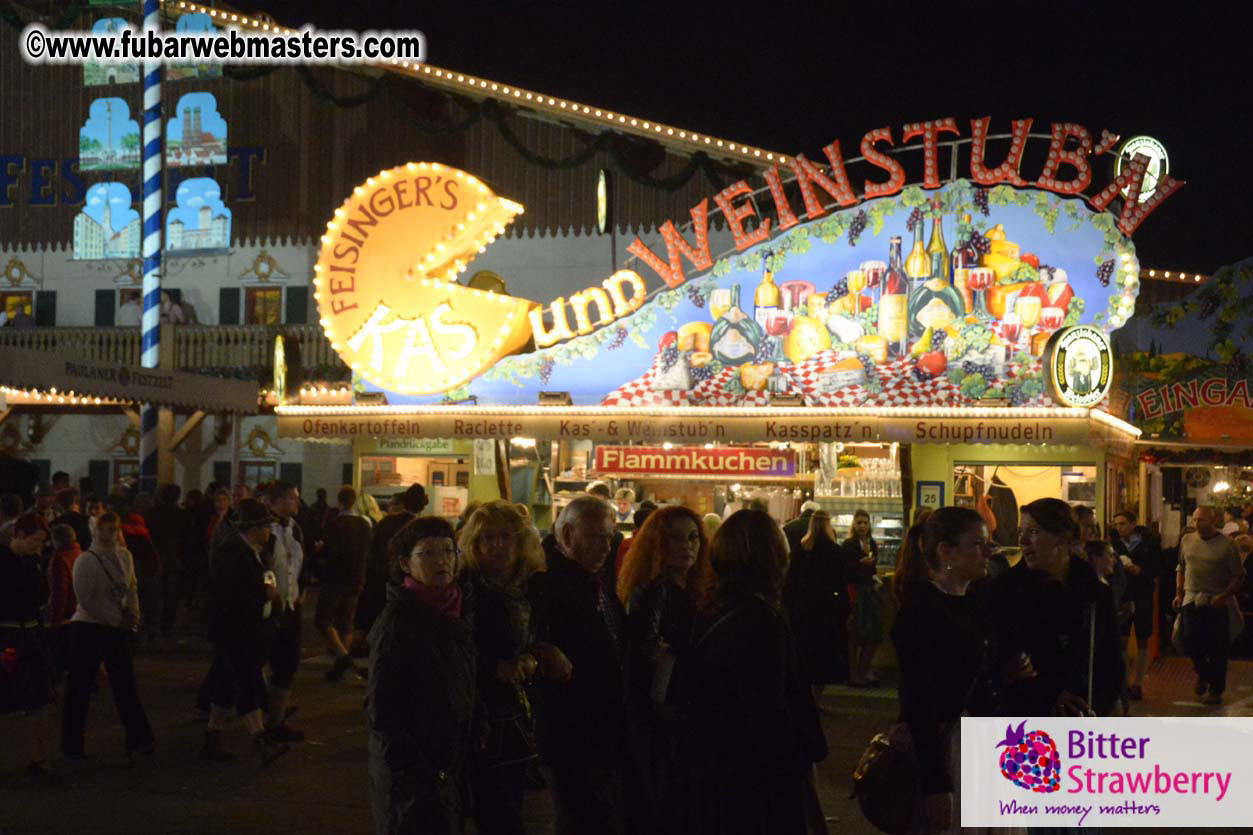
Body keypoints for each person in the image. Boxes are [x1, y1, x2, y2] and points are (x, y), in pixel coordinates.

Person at [683, 509, 828, 835]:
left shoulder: (710, 610)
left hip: (716, 772)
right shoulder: (763, 621)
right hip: (759, 781)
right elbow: (774, 708)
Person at [367, 515, 477, 835]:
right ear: (405, 564)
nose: (441, 561)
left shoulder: (455, 611)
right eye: (428, 553)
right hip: (414, 778)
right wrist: (419, 770)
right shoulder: (398, 622)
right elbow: (383, 710)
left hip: (449, 766)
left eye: (448, 551)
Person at [892, 507, 1000, 834]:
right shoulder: (923, 609)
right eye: (977, 545)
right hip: (947, 747)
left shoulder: (974, 599)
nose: (987, 553)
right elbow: (919, 699)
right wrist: (936, 783)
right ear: (946, 551)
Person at [527, 494, 630, 835]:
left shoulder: (594, 579)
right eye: (596, 538)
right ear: (568, 535)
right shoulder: (545, 584)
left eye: (609, 538)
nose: (606, 547)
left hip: (601, 729)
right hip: (570, 732)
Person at [616, 504, 713, 831]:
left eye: (693, 537)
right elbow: (647, 655)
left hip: (693, 710)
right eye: (676, 538)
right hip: (663, 715)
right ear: (659, 544)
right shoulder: (651, 593)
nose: (687, 546)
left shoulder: (701, 591)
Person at [987, 498, 1123, 717]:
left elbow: (1111, 661)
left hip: (1084, 716)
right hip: (1024, 717)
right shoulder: (1005, 591)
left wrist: (1102, 705)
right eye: (1021, 532)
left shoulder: (1096, 594)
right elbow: (1000, 663)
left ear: (1062, 537)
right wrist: (1049, 695)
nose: (1022, 541)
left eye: (1033, 532)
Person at [458, 501, 546, 835]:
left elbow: (538, 638)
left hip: (518, 717)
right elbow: (456, 649)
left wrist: (530, 658)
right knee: (497, 813)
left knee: (511, 802)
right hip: (480, 717)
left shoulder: (528, 588)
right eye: (488, 538)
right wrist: (492, 668)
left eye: (505, 537)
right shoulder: (466, 590)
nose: (497, 546)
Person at [200, 499, 289, 764]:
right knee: (247, 683)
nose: (269, 532)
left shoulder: (248, 550)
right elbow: (232, 594)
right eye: (266, 527)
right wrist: (264, 594)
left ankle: (212, 736)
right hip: (236, 631)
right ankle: (260, 739)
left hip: (237, 631)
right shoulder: (233, 552)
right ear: (254, 528)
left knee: (226, 685)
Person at [61, 512, 156, 760]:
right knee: (80, 688)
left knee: (125, 685)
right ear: (95, 531)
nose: (106, 535)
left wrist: (134, 614)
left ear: (117, 532)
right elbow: (85, 599)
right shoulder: (86, 560)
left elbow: (131, 587)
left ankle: (139, 739)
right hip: (88, 628)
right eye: (102, 530)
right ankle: (72, 745)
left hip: (115, 628)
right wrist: (117, 620)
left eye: (111, 530)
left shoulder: (124, 556)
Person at [1174, 506, 1245, 705]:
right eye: (1195, 520)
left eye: (1202, 520)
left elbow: (1238, 575)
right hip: (1191, 597)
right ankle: (1203, 673)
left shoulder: (1226, 544)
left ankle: (1216, 690)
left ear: (1214, 521)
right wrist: (1179, 593)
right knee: (1188, 640)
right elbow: (1181, 567)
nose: (1197, 524)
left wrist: (1224, 596)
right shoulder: (1187, 540)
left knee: (1217, 648)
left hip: (1216, 601)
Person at [0, 513, 55, 774]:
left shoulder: (33, 561)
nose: (38, 546)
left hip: (31, 635)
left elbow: (42, 596)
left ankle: (38, 757)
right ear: (20, 535)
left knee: (39, 696)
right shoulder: (3, 561)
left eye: (41, 542)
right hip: (8, 635)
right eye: (35, 541)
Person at [784, 509, 852, 700]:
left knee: (805, 654)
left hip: (803, 609)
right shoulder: (834, 550)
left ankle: (804, 696)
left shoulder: (801, 549)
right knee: (824, 656)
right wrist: (845, 608)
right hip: (827, 610)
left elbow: (791, 580)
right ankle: (816, 697)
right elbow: (840, 581)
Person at [261, 481, 306, 741]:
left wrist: (301, 590)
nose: (297, 502)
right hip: (270, 607)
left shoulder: (295, 528)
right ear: (277, 500)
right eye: (292, 498)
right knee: (261, 661)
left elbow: (301, 562)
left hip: (291, 605)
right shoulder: (265, 528)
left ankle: (275, 719)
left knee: (287, 662)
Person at [356, 483, 427, 640]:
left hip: (379, 581)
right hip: (404, 584)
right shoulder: (419, 527)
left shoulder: (386, 522)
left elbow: (372, 551)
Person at [319, 485, 373, 683]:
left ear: (339, 501)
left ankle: (343, 657)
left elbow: (328, 551)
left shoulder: (333, 524)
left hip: (336, 577)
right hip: (357, 577)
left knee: (323, 620)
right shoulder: (365, 524)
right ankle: (340, 665)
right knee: (346, 621)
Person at [1110, 510, 1163, 700]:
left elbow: (1159, 568)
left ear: (1133, 524)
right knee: (1122, 640)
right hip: (1122, 597)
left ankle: (1138, 683)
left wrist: (1140, 570)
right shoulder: (1113, 543)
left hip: (1142, 596)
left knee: (1142, 639)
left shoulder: (1148, 542)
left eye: (1123, 524)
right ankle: (1124, 683)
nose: (1119, 528)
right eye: (1116, 524)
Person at [146, 484, 191, 640]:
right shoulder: (183, 515)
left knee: (155, 595)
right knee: (171, 595)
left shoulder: (152, 513)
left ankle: (153, 629)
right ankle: (167, 628)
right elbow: (187, 539)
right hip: (175, 557)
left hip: (158, 556)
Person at [844, 509, 883, 687]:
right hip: (855, 591)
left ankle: (863, 670)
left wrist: (872, 569)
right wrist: (860, 563)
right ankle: (854, 674)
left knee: (873, 635)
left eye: (865, 523)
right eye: (859, 522)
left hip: (869, 590)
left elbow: (872, 568)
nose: (862, 526)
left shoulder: (872, 543)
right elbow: (844, 570)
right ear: (854, 524)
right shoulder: (849, 544)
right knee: (855, 634)